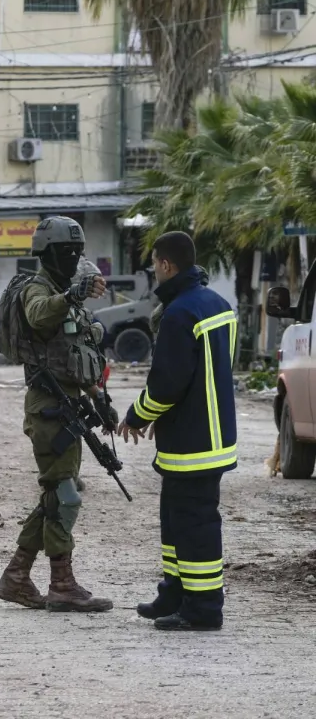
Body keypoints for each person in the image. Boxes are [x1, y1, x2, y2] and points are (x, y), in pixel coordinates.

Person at [0, 216, 114, 613]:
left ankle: (16, 577)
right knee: (65, 496)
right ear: (47, 253)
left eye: (78, 252)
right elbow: (40, 315)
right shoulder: (37, 288)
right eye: (66, 251)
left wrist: (99, 396)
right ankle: (61, 584)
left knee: (54, 497)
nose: (74, 257)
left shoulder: (65, 292)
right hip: (47, 407)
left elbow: (73, 358)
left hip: (69, 402)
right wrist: (73, 294)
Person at [117, 231, 237, 632]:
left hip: (193, 443)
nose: (154, 271)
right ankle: (174, 592)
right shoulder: (218, 305)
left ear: (166, 264)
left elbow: (168, 383)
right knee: (174, 520)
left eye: (154, 264)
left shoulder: (180, 313)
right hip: (206, 436)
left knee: (195, 526)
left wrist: (137, 416)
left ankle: (203, 609)